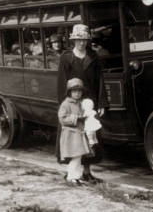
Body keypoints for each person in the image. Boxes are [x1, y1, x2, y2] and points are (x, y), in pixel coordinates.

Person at [56, 24, 107, 183]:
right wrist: (65, 104)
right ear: (74, 40)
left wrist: (101, 103)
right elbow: (61, 82)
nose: (81, 43)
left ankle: (86, 171)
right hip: (72, 103)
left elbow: (100, 80)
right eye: (78, 40)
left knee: (90, 136)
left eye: (84, 40)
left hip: (89, 103)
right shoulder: (66, 58)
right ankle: (71, 172)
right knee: (72, 137)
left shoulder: (93, 57)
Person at [58, 78, 90, 185]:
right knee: (75, 156)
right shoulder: (66, 104)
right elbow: (62, 118)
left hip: (78, 133)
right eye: (74, 91)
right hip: (70, 134)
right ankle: (72, 177)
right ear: (69, 92)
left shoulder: (80, 103)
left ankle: (75, 176)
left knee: (78, 156)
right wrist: (75, 118)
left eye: (79, 91)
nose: (77, 94)